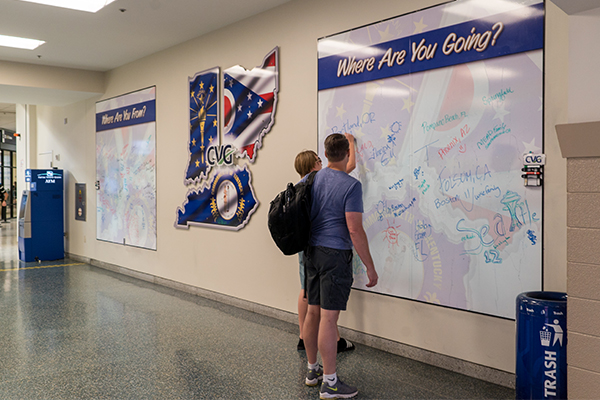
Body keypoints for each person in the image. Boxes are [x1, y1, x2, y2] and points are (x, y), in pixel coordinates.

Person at [302, 133, 378, 399]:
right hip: (334, 256)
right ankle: (331, 383)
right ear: (347, 153)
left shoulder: (311, 178)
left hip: (310, 254)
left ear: (325, 154)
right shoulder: (350, 186)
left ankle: (313, 371)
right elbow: (355, 230)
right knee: (330, 318)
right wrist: (370, 266)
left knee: (313, 312)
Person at [294, 132, 356, 354]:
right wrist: (350, 142)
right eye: (318, 160)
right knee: (327, 310)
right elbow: (349, 166)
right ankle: (333, 347)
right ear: (313, 165)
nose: (322, 162)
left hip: (307, 247)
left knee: (308, 294)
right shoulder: (324, 180)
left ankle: (304, 337)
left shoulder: (305, 184)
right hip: (328, 250)